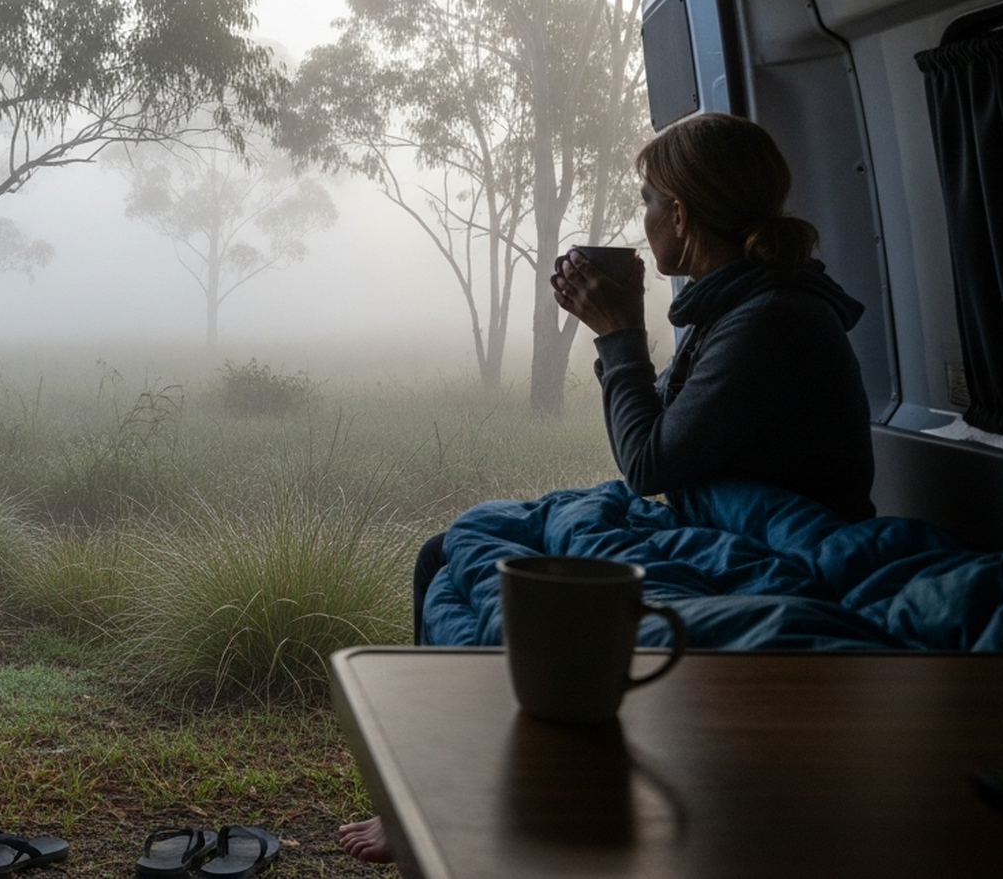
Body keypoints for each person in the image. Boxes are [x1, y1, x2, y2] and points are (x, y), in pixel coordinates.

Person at [340, 112, 874, 865]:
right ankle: (434, 789)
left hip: (758, 546)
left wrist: (618, 333)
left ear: (682, 213)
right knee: (444, 553)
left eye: (651, 200)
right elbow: (671, 445)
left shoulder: (770, 319)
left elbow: (650, 463)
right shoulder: (741, 305)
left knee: (476, 566)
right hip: (718, 530)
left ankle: (458, 799)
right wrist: (623, 330)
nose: (645, 217)